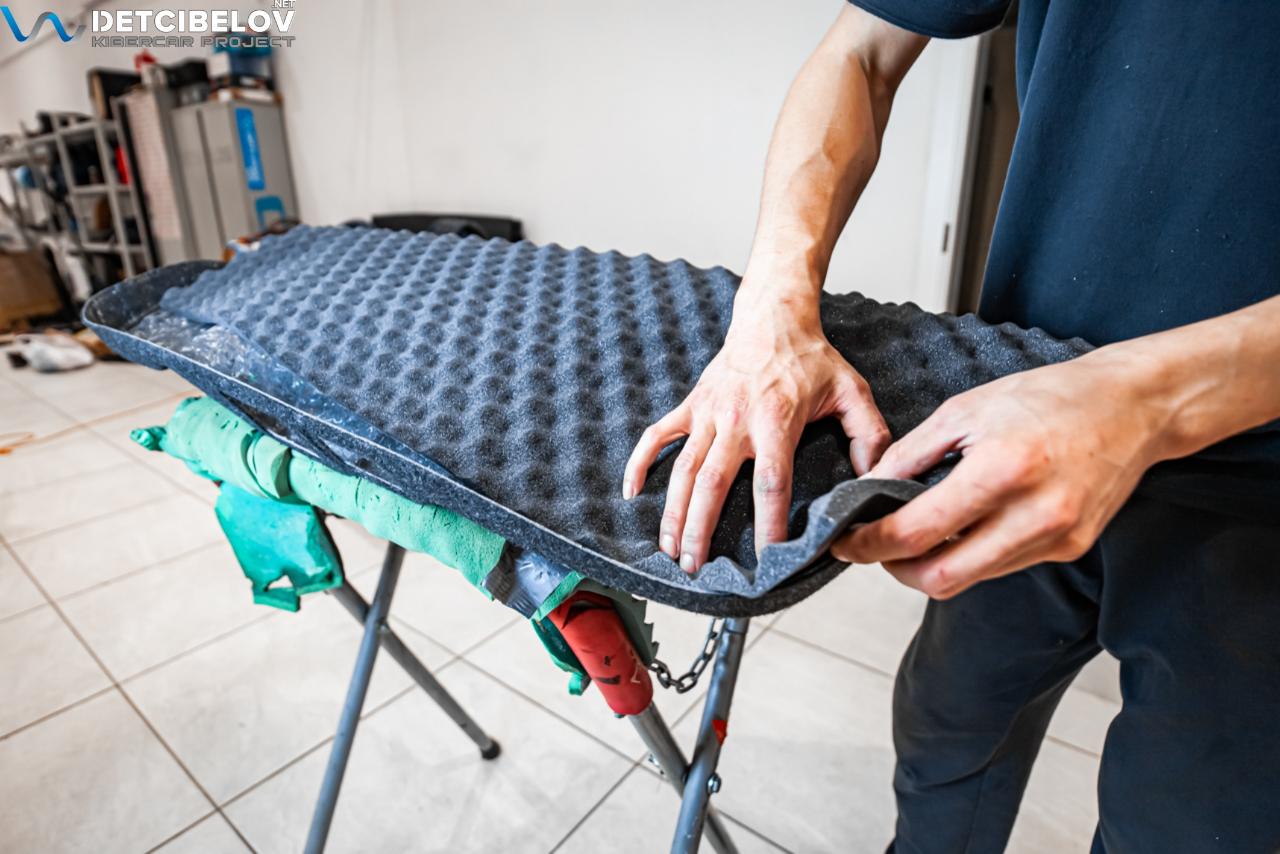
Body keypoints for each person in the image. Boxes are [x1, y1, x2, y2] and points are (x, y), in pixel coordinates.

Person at [622, 3, 1280, 851]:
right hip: (1014, 417)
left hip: (1260, 492)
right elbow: (860, 52)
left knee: (1190, 824)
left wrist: (1145, 400)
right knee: (946, 724)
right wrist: (773, 308)